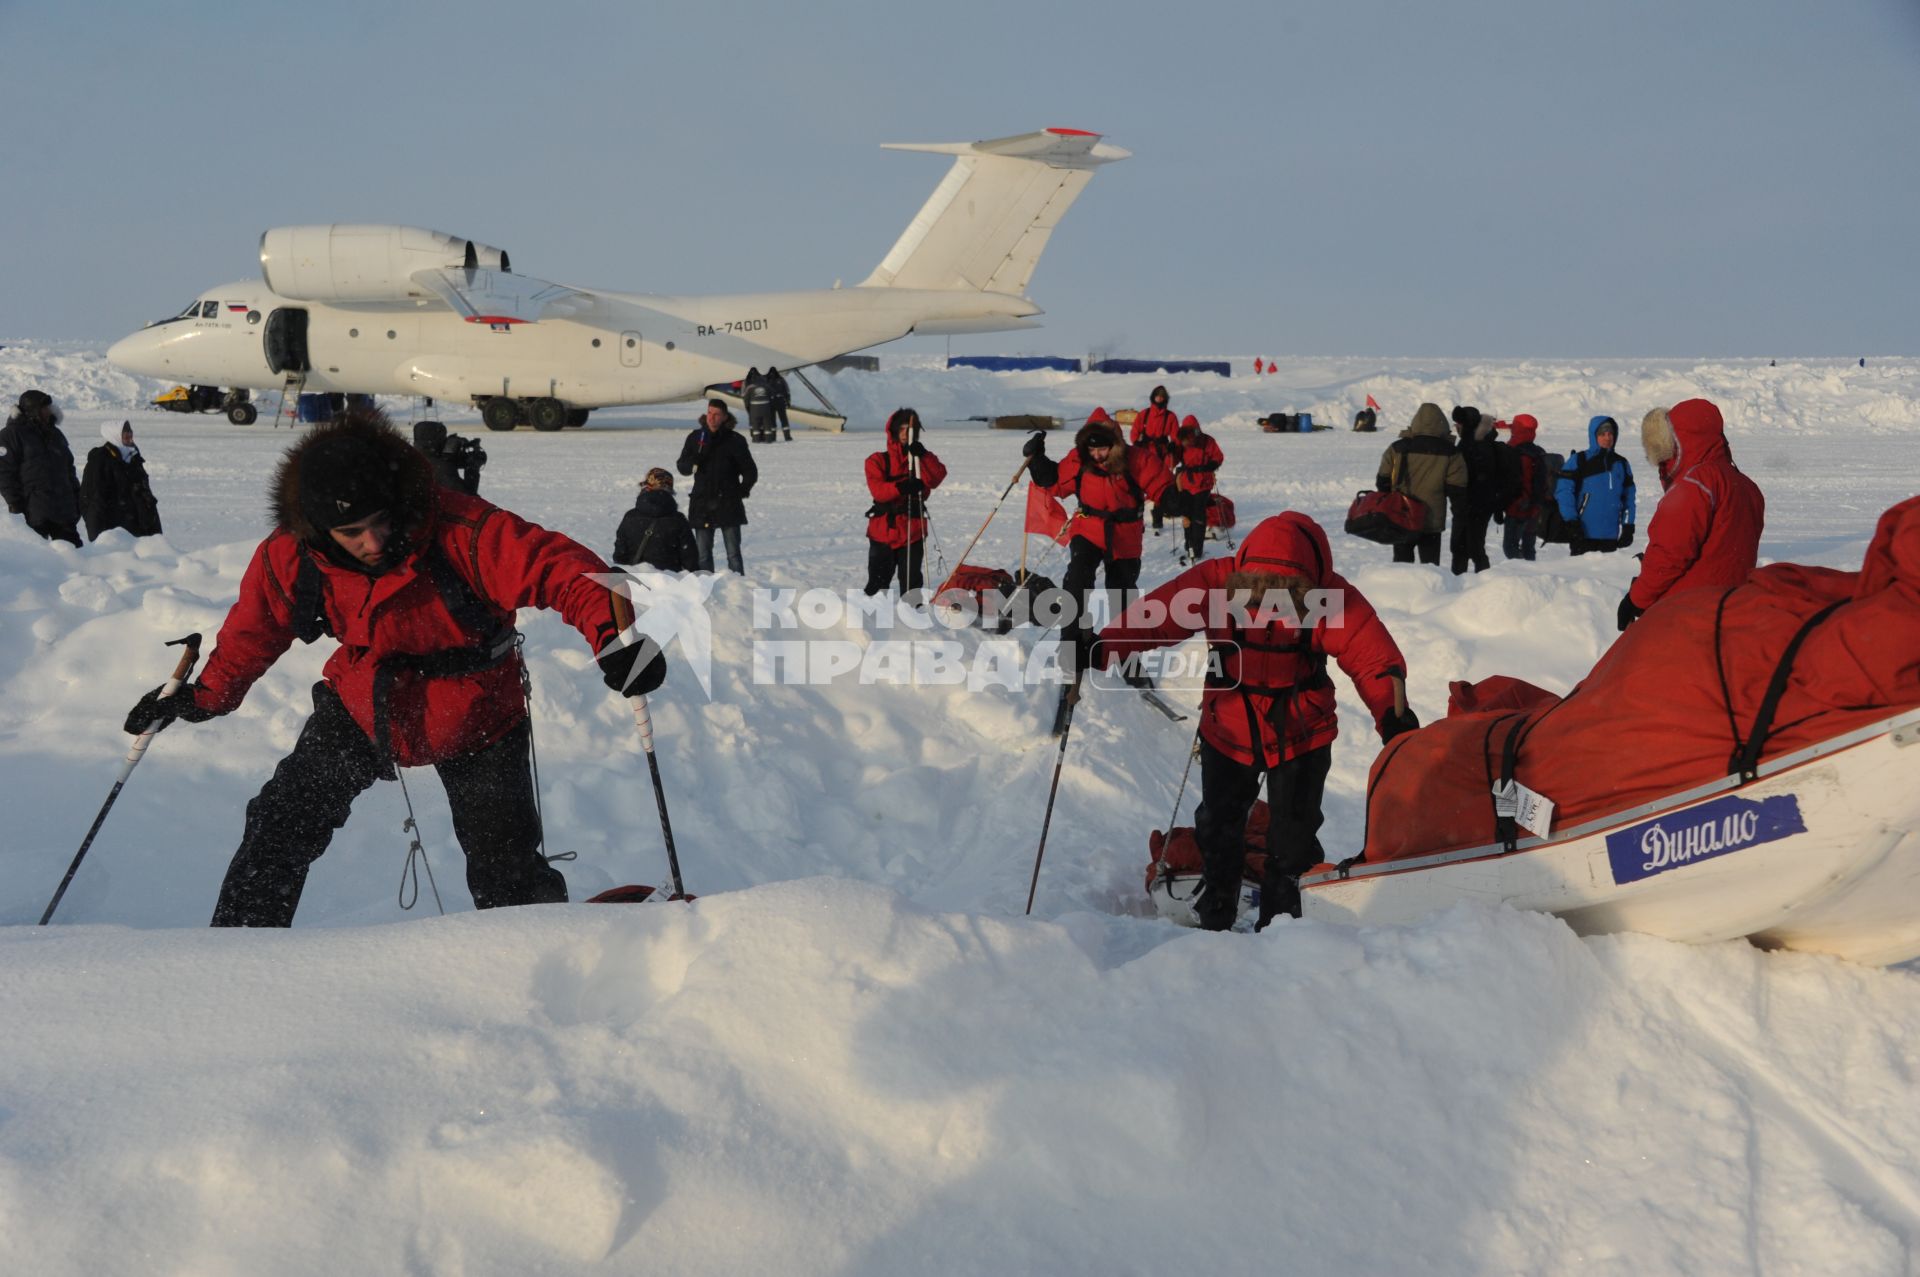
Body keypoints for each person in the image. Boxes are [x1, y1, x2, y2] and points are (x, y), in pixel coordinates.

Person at [118, 408, 665, 927]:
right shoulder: (290, 557)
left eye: (380, 523)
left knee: (507, 869)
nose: (372, 542)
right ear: (316, 529)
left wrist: (617, 640)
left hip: (478, 712)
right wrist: (204, 696)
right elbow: (253, 632)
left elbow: (567, 573)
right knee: (278, 826)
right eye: (352, 533)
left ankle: (535, 960)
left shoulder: (461, 530)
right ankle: (234, 956)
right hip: (362, 704)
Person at [1094, 512, 1418, 930]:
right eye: (1257, 592)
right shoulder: (1213, 582)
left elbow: (1372, 658)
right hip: (1228, 727)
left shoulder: (1331, 596)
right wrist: (1101, 646)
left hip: (1302, 732)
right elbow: (1155, 617)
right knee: (1217, 828)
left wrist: (1392, 719)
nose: (1268, 605)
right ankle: (1217, 914)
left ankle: (1280, 930)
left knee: (1293, 843)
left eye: (1284, 595)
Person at [1024, 408, 1200, 641]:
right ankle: (1073, 643)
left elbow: (1160, 486)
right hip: (1087, 529)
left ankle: (1126, 651)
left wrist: (1175, 501)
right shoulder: (1079, 459)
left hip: (1125, 536)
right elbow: (1055, 482)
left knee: (1121, 594)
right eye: (1092, 448)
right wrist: (1037, 460)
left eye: (1102, 448)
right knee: (1077, 581)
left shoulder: (1138, 459)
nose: (1097, 454)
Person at [1617, 399, 1766, 630]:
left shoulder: (1695, 485)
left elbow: (1669, 555)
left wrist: (1636, 599)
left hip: (1687, 615)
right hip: (1731, 612)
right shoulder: (1747, 487)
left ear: (1680, 439)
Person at [862, 407, 948, 596]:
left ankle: (913, 620)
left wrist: (924, 456)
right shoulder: (877, 460)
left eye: (909, 430)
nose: (905, 434)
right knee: (877, 585)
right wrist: (901, 487)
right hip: (883, 531)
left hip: (913, 531)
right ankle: (869, 621)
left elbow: (936, 478)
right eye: (900, 429)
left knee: (912, 587)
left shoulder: (919, 459)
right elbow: (879, 491)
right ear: (892, 430)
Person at [1374, 402, 1467, 566]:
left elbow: (1382, 480)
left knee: (1402, 565)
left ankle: (1401, 591)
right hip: (1431, 518)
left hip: (1402, 515)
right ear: (1442, 424)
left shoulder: (1397, 447)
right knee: (1430, 567)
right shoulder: (1451, 452)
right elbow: (1457, 489)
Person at [676, 398, 757, 573]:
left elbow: (750, 471)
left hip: (728, 502)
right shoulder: (695, 438)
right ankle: (706, 588)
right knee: (703, 554)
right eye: (709, 413)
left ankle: (738, 587)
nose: (711, 418)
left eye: (716, 414)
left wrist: (742, 491)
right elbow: (682, 467)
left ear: (725, 417)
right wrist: (692, 462)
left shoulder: (735, 440)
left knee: (733, 553)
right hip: (702, 502)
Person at [0, 389, 82, 545]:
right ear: (31, 410)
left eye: (49, 407)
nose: (48, 411)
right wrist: (15, 504)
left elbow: (69, 468)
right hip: (33, 512)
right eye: (44, 408)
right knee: (37, 561)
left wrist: (77, 497)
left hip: (64, 511)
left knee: (74, 556)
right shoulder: (11, 435)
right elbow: (4, 473)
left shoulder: (56, 434)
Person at [1555, 416, 1636, 555]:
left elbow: (1628, 499)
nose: (1607, 437)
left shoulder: (1621, 463)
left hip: (1610, 535)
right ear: (1594, 436)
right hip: (1582, 534)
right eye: (1602, 434)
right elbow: (1563, 492)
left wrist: (1628, 527)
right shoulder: (1578, 460)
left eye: (1610, 433)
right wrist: (1571, 522)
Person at [80, 419, 163, 541]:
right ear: (114, 434)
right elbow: (94, 500)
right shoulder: (100, 460)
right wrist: (98, 540)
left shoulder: (134, 458)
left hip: (141, 532)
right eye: (125, 431)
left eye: (130, 430)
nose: (129, 434)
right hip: (116, 536)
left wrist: (156, 534)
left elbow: (146, 497)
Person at [1448, 406, 1503, 574]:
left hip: (1469, 503)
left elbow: (1462, 476)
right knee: (1475, 547)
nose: (1456, 428)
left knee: (1462, 548)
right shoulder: (1486, 442)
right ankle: (1480, 582)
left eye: (1458, 424)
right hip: (1484, 503)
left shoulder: (1468, 445)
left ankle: (1457, 587)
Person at [612, 467, 700, 571]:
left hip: (636, 581)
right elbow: (691, 560)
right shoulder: (678, 520)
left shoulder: (630, 516)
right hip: (669, 581)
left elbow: (619, 556)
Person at [1495, 413, 1553, 561]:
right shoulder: (1538, 452)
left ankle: (1521, 576)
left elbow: (1512, 483)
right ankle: (1531, 576)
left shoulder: (1514, 452)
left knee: (1510, 548)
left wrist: (1500, 505)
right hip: (1535, 508)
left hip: (1518, 508)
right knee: (1528, 547)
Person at [1171, 414, 1224, 565]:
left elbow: (1218, 457)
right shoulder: (1180, 443)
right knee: (1187, 515)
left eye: (1190, 437)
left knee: (1198, 515)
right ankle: (1189, 546)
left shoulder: (1207, 441)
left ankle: (1197, 548)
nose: (1188, 441)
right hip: (1186, 483)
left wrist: (1211, 465)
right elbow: (1173, 461)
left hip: (1203, 483)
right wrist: (1171, 450)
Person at [1129, 385, 1180, 533]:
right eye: (1157, 396)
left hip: (1162, 454)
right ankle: (1138, 516)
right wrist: (1137, 442)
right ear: (1153, 398)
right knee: (1139, 485)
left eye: (1162, 397)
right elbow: (1134, 432)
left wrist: (1173, 446)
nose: (1159, 399)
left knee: (1160, 485)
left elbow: (1175, 436)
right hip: (1145, 455)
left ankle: (1157, 516)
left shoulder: (1170, 417)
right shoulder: (1144, 415)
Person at [411, 420, 486, 495]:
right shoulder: (442, 469)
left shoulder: (411, 461)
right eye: (444, 439)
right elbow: (470, 500)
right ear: (438, 442)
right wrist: (472, 470)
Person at [742, 368, 776, 444]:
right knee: (767, 425)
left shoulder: (750, 387)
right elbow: (772, 396)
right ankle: (769, 439)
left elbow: (746, 399)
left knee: (755, 426)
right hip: (766, 408)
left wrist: (748, 409)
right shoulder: (766, 386)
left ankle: (756, 440)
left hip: (754, 409)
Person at [766, 365, 794, 442]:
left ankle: (773, 437)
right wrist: (788, 401)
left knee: (772, 420)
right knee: (783, 419)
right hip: (780, 401)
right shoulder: (781, 380)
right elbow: (787, 391)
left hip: (771, 403)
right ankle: (787, 436)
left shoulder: (766, 380)